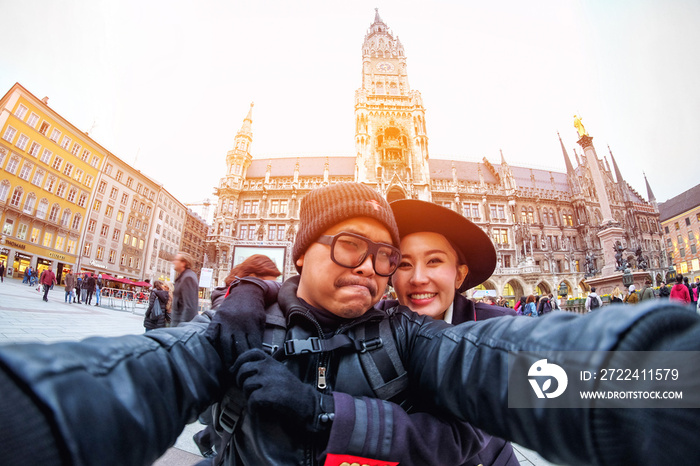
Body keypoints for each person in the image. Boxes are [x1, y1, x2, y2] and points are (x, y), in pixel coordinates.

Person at [1, 183, 700, 466]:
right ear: (300, 251)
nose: (373, 269)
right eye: (348, 247)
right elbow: (133, 377)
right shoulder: (238, 331)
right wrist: (36, 416)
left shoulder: (410, 337)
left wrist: (667, 385)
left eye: (384, 256)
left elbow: (509, 368)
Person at [371, 199, 517, 465]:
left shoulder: (498, 328)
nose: (418, 278)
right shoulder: (371, 323)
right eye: (404, 264)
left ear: (459, 275)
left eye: (434, 261)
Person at [193, 254, 282, 458]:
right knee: (225, 427)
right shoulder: (228, 297)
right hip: (226, 376)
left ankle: (208, 440)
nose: (273, 285)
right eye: (268, 280)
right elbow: (208, 325)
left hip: (242, 376)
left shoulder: (258, 292)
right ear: (251, 275)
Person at [171, 252, 199, 327]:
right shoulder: (184, 276)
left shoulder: (188, 278)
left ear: (183, 263)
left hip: (180, 328)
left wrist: (182, 329)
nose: (173, 262)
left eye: (176, 260)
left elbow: (189, 307)